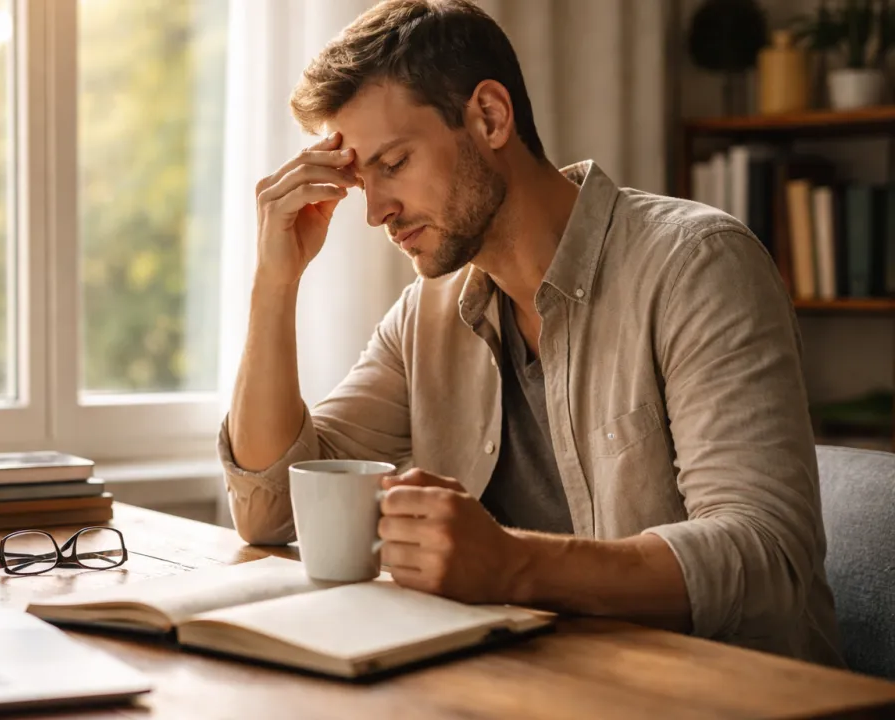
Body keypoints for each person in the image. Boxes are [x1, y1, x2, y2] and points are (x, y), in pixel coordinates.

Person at [216, 0, 844, 667]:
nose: (375, 212)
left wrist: (512, 564)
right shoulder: (423, 317)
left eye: (393, 163)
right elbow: (272, 509)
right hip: (530, 686)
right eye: (360, 180)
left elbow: (765, 555)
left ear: (490, 116)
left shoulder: (697, 265)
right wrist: (274, 283)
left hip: (716, 695)